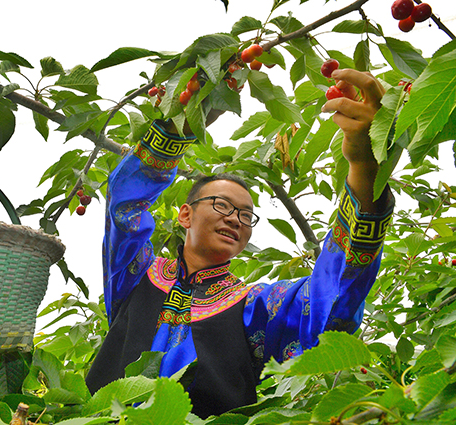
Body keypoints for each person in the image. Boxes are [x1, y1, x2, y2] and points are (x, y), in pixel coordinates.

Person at [85, 69, 394, 418]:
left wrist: (365, 170)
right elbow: (124, 205)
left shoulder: (255, 308)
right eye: (222, 205)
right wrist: (178, 127)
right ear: (185, 215)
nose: (235, 218)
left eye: (246, 215)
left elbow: (331, 302)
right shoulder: (137, 274)